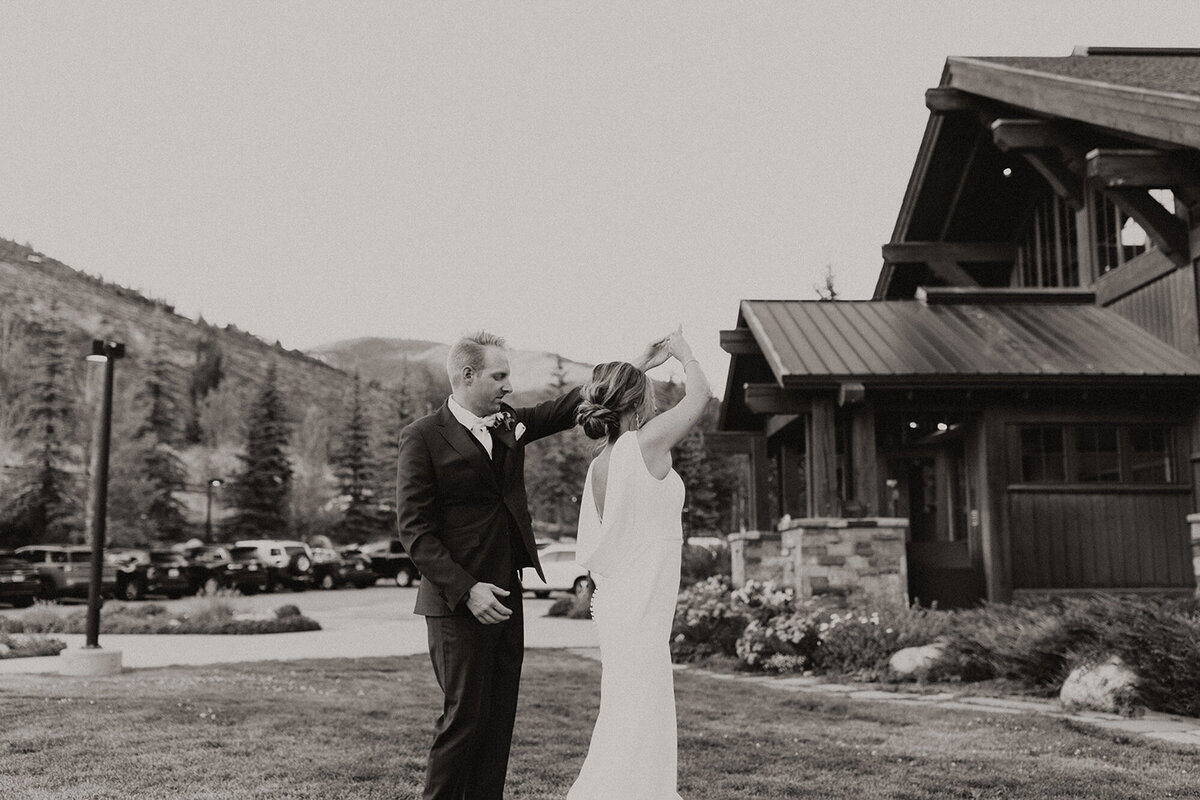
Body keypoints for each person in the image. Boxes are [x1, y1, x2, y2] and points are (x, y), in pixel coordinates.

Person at [396, 330, 668, 800]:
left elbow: (566, 406)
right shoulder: (422, 437)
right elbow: (415, 531)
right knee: (463, 718)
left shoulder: (508, 423)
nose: (508, 386)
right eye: (499, 376)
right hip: (457, 604)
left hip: (508, 596)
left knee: (499, 719)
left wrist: (636, 364)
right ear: (467, 375)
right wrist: (469, 589)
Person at [568, 327, 710, 800]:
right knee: (640, 711)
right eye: (645, 394)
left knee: (629, 710)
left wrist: (641, 364)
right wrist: (683, 354)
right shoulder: (644, 444)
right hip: (639, 604)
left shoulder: (604, 460)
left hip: (622, 602)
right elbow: (701, 396)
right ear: (637, 403)